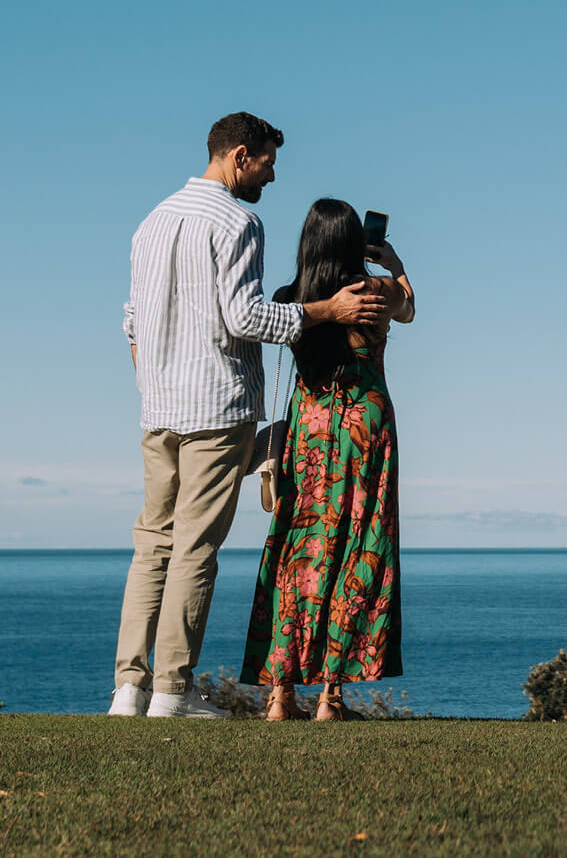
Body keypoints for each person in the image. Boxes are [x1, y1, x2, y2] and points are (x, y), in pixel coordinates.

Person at [110, 114, 387, 719]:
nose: (271, 174)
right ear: (240, 156)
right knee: (194, 550)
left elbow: (132, 320)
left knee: (152, 544)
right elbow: (246, 318)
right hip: (214, 404)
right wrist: (327, 308)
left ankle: (127, 690)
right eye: (266, 162)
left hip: (157, 408)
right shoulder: (239, 220)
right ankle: (172, 693)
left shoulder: (151, 221)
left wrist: (152, 377)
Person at [240, 198, 415, 720]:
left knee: (298, 552)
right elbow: (410, 307)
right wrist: (396, 266)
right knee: (359, 550)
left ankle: (279, 694)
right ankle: (331, 698)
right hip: (366, 425)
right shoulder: (375, 290)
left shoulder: (290, 298)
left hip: (309, 431)